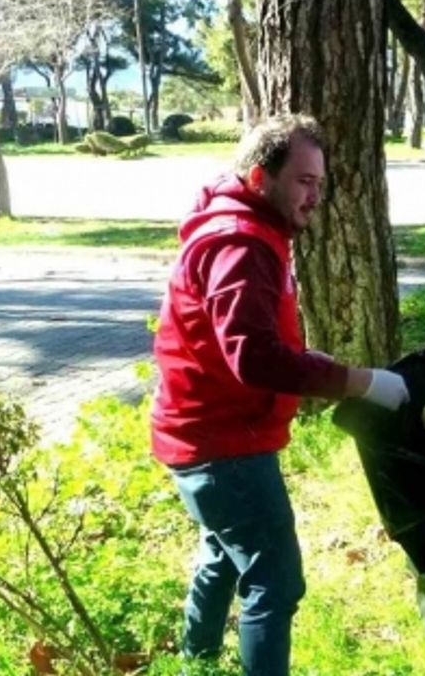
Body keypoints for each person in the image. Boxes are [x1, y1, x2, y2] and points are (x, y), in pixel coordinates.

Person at [149, 114, 409, 675]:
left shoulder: (245, 226)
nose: (315, 196)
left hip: (203, 433)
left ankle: (195, 663)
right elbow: (254, 357)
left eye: (320, 183)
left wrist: (318, 366)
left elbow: (243, 340)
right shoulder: (241, 244)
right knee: (275, 578)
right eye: (303, 181)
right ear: (259, 177)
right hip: (221, 443)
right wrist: (361, 381)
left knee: (223, 552)